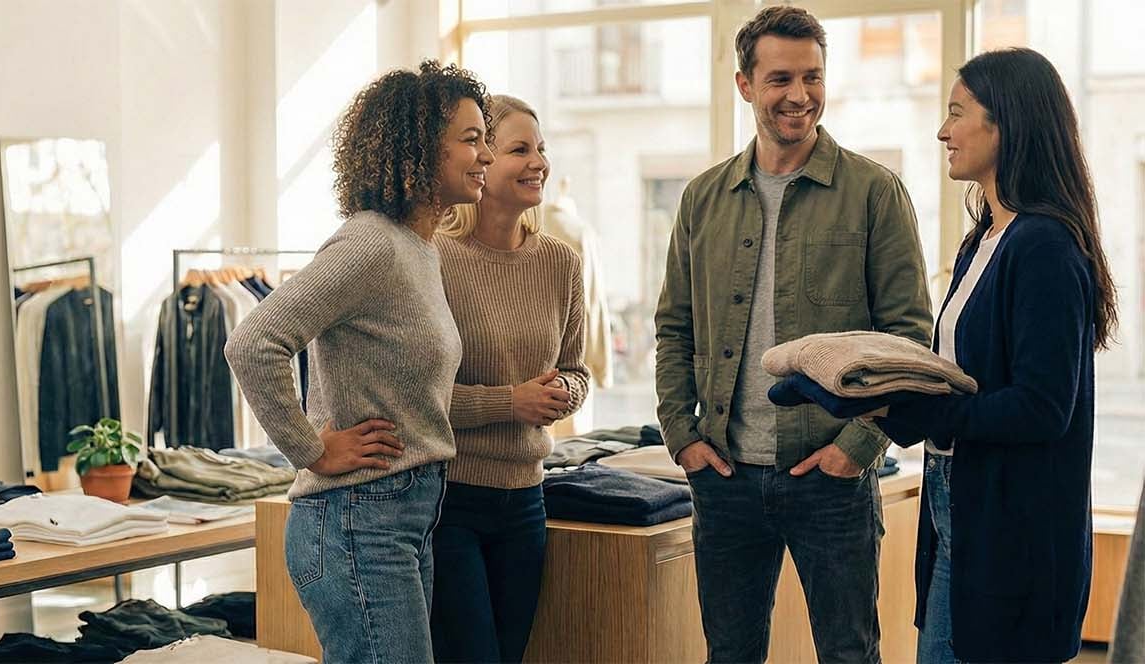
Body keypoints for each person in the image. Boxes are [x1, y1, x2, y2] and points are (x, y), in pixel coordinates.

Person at [653, 6, 932, 662]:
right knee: (730, 654)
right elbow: (673, 327)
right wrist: (680, 434)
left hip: (829, 477)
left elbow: (908, 337)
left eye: (812, 77)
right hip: (723, 476)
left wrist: (857, 447)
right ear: (744, 84)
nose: (799, 96)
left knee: (847, 653)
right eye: (779, 79)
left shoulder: (872, 192)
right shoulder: (701, 198)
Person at [224, 60, 493, 663]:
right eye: (471, 139)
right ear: (421, 148)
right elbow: (252, 341)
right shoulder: (369, 243)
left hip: (402, 514)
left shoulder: (418, 248)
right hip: (356, 517)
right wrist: (312, 449)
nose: (486, 155)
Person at [873, 47, 1117, 663]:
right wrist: (880, 402)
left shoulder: (1043, 247)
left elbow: (1040, 408)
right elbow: (962, 381)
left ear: (1005, 122)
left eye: (957, 113)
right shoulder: (982, 239)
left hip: (1014, 532)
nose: (942, 131)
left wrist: (931, 414)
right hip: (955, 504)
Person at [429, 94, 590, 663]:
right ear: (481, 161)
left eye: (541, 148)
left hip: (526, 500)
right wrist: (509, 402)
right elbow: (418, 397)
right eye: (519, 149)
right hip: (450, 501)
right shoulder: (435, 260)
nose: (538, 162)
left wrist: (563, 393)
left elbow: (577, 368)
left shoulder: (561, 262)